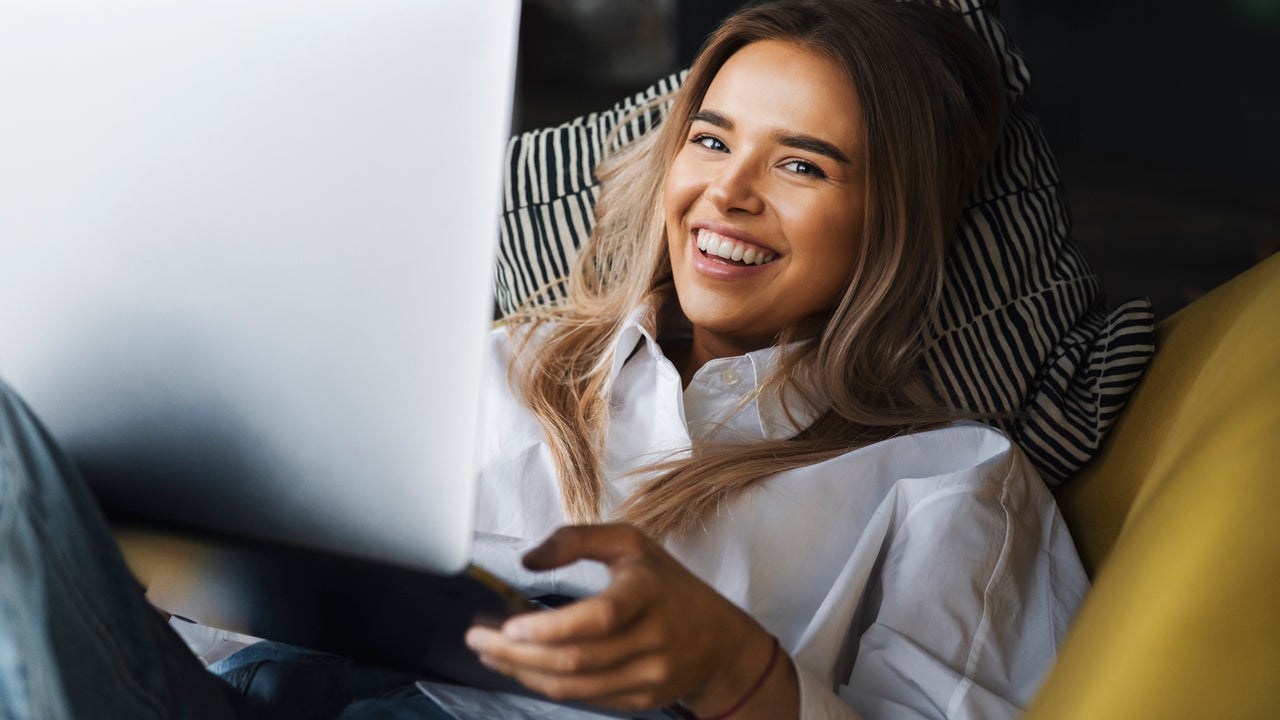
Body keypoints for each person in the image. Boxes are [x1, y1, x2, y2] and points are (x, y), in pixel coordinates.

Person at [0, 1, 1088, 719]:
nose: (726, 192)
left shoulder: (951, 477)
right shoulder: (500, 361)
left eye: (800, 163)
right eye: (709, 139)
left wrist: (735, 672)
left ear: (890, 216)